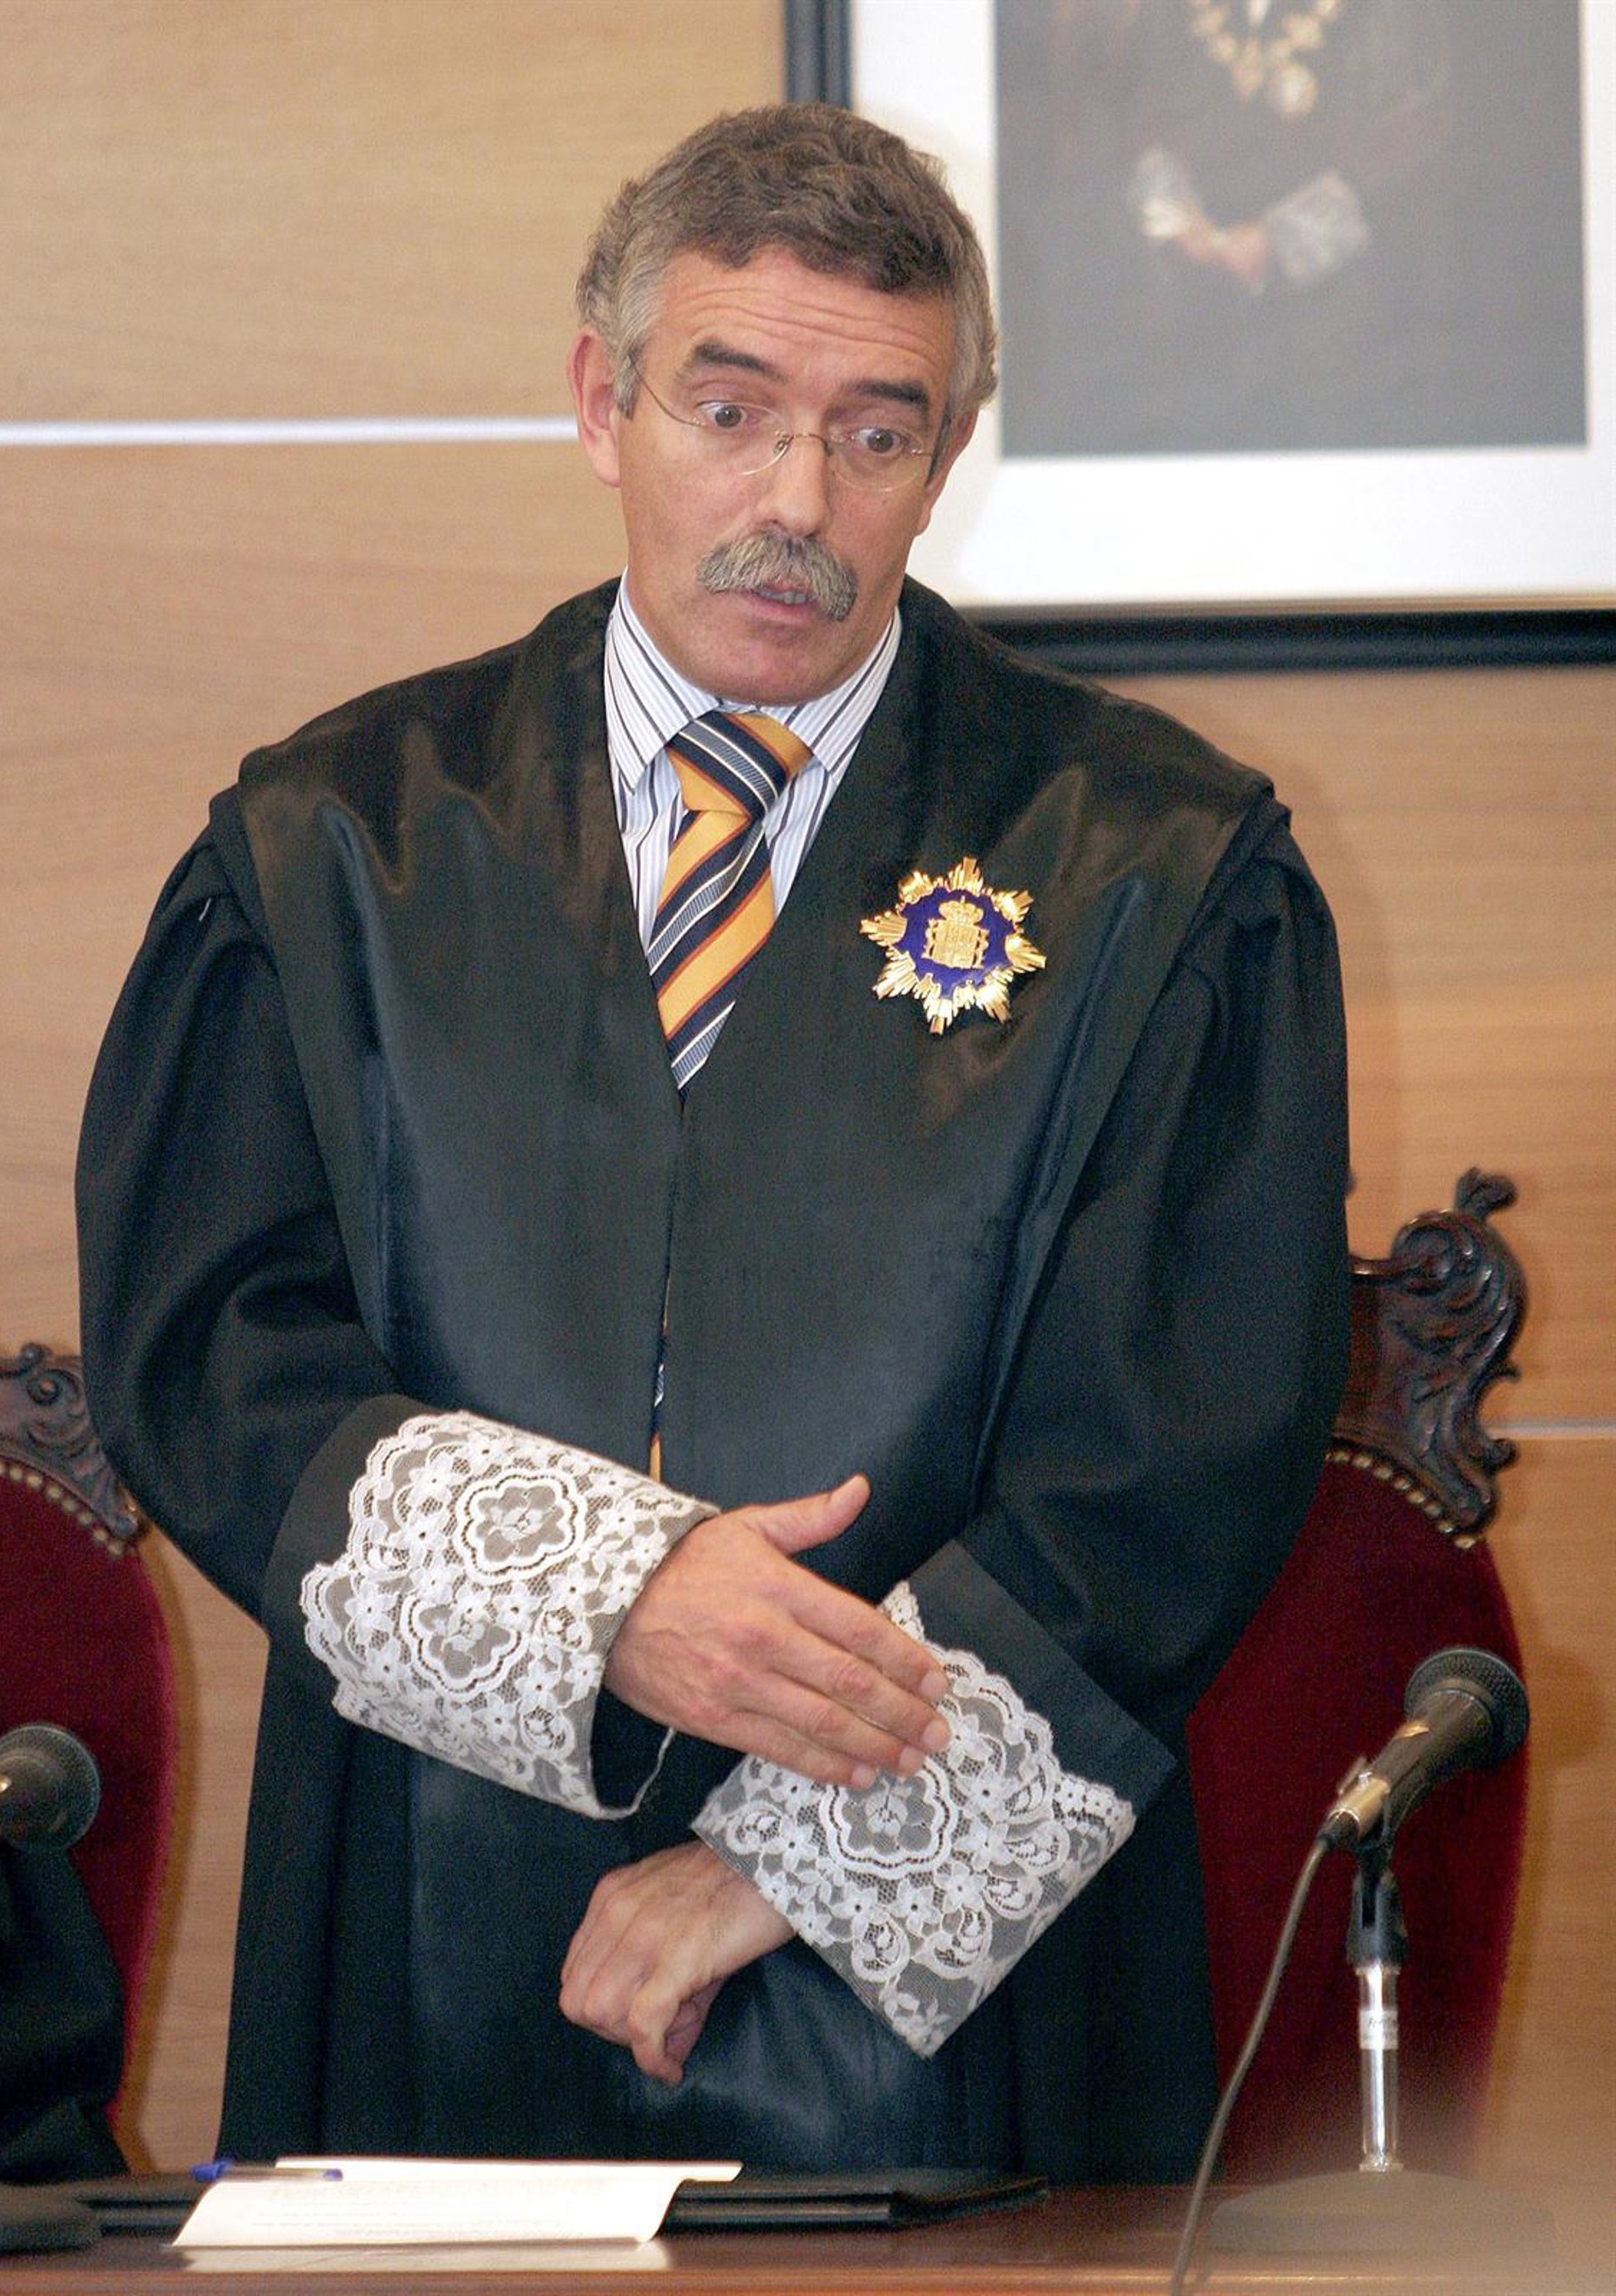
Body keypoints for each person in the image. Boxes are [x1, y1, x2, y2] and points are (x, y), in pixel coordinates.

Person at [76, 102, 1350, 2181]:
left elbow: (1174, 1460)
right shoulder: (336, 850)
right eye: (730, 408)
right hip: (431, 1906)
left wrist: (797, 1863)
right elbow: (213, 1357)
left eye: (876, 432)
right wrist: (609, 1602)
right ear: (603, 399)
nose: (796, 503)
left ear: (948, 451)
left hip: (951, 1978)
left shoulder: (1157, 869)